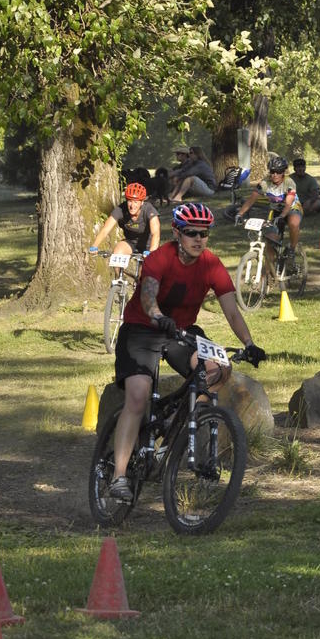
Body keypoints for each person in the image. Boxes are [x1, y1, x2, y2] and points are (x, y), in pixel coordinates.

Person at [107, 202, 266, 501]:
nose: (199, 239)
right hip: (142, 329)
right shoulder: (159, 258)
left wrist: (249, 343)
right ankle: (119, 476)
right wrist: (158, 316)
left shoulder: (211, 264)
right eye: (192, 232)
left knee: (219, 368)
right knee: (138, 397)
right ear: (177, 233)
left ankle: (177, 425)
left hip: (180, 332)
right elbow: (148, 297)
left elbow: (232, 311)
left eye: (204, 234)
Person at [234, 155, 303, 255]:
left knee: (293, 223)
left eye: (278, 172)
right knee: (270, 241)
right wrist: (240, 214)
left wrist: (282, 216)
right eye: (272, 171)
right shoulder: (265, 183)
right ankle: (270, 264)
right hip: (276, 210)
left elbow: (288, 204)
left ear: (283, 172)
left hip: (292, 208)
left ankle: (292, 249)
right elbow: (251, 199)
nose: (275, 175)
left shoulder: (289, 182)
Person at [95, 182, 160, 258]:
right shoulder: (121, 209)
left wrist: (151, 252)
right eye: (130, 201)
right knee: (117, 253)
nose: (132, 205)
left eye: (136, 202)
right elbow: (106, 229)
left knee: (148, 263)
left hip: (148, 245)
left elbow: (155, 234)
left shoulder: (149, 210)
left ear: (142, 202)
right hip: (130, 243)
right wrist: (94, 246)